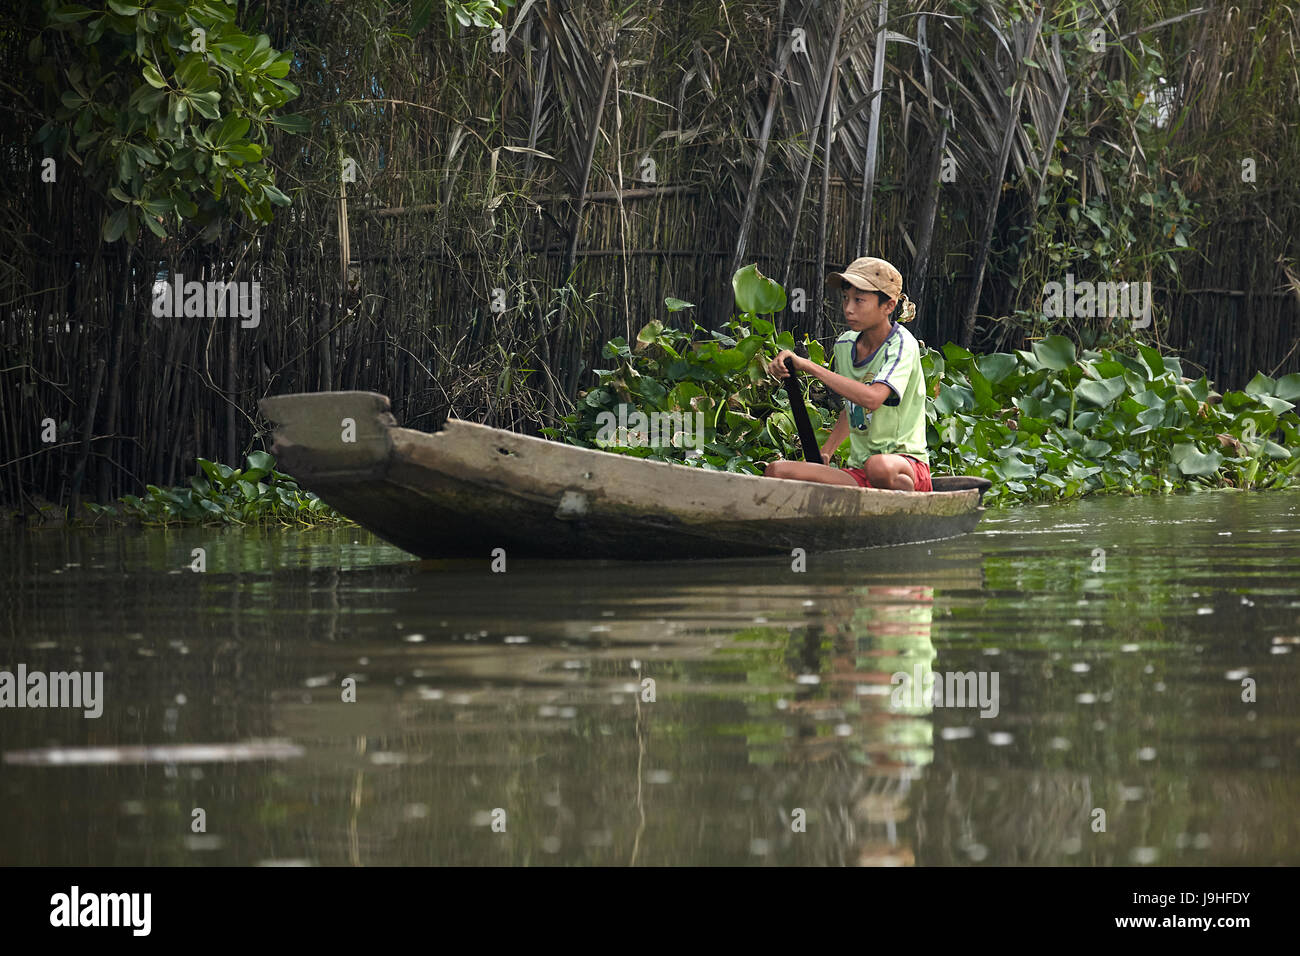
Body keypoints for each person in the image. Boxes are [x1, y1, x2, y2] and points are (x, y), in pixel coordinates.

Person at [764, 256, 932, 492]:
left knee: (879, 467)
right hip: (859, 472)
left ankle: (907, 495)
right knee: (776, 471)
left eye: (859, 300)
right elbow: (853, 409)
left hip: (906, 465)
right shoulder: (845, 345)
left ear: (888, 306)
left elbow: (872, 398)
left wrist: (810, 366)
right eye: (845, 299)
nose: (849, 309)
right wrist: (826, 451)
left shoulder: (901, 343)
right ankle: (879, 497)